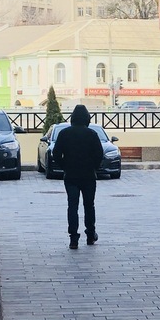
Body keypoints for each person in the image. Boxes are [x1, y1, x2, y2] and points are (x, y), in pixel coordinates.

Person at [57, 103, 105, 249]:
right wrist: (94, 167)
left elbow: (56, 154)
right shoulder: (92, 134)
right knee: (89, 205)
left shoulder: (64, 133)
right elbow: (99, 154)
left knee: (72, 206)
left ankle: (73, 238)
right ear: (87, 118)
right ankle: (90, 234)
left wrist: (64, 166)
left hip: (71, 175)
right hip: (88, 175)